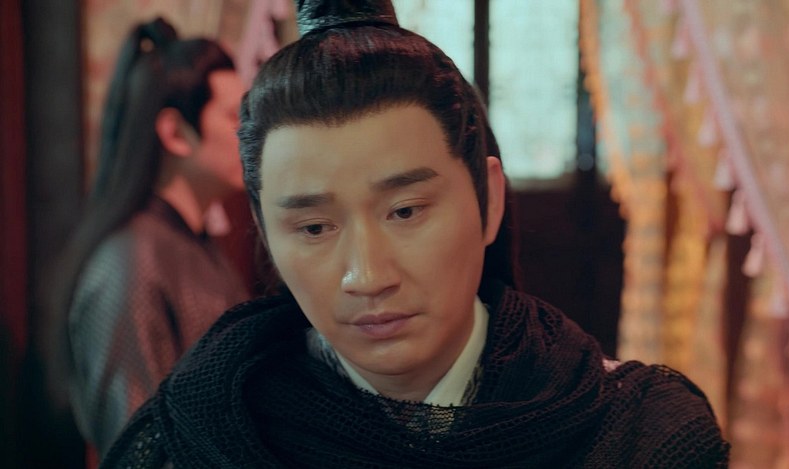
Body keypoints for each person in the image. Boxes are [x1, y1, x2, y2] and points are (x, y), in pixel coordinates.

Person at [102, 1, 730, 467]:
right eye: (314, 227)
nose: (367, 276)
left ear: (488, 201)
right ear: (267, 235)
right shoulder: (202, 435)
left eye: (405, 212)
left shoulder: (636, 434)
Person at [45, 17, 250, 458]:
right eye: (235, 117)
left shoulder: (195, 243)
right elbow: (136, 446)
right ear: (175, 132)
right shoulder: (130, 260)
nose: (249, 134)